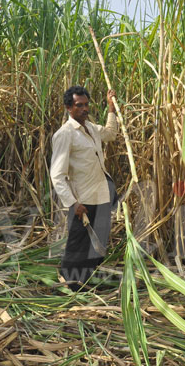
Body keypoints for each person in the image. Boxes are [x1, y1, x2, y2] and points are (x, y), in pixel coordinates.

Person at [50, 86, 118, 291]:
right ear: (69, 108)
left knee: (99, 243)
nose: (84, 109)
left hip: (101, 195)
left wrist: (111, 109)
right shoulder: (65, 134)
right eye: (79, 105)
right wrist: (73, 203)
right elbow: (57, 175)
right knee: (78, 244)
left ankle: (86, 281)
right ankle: (68, 285)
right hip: (82, 200)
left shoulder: (91, 129)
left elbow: (111, 134)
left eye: (86, 104)